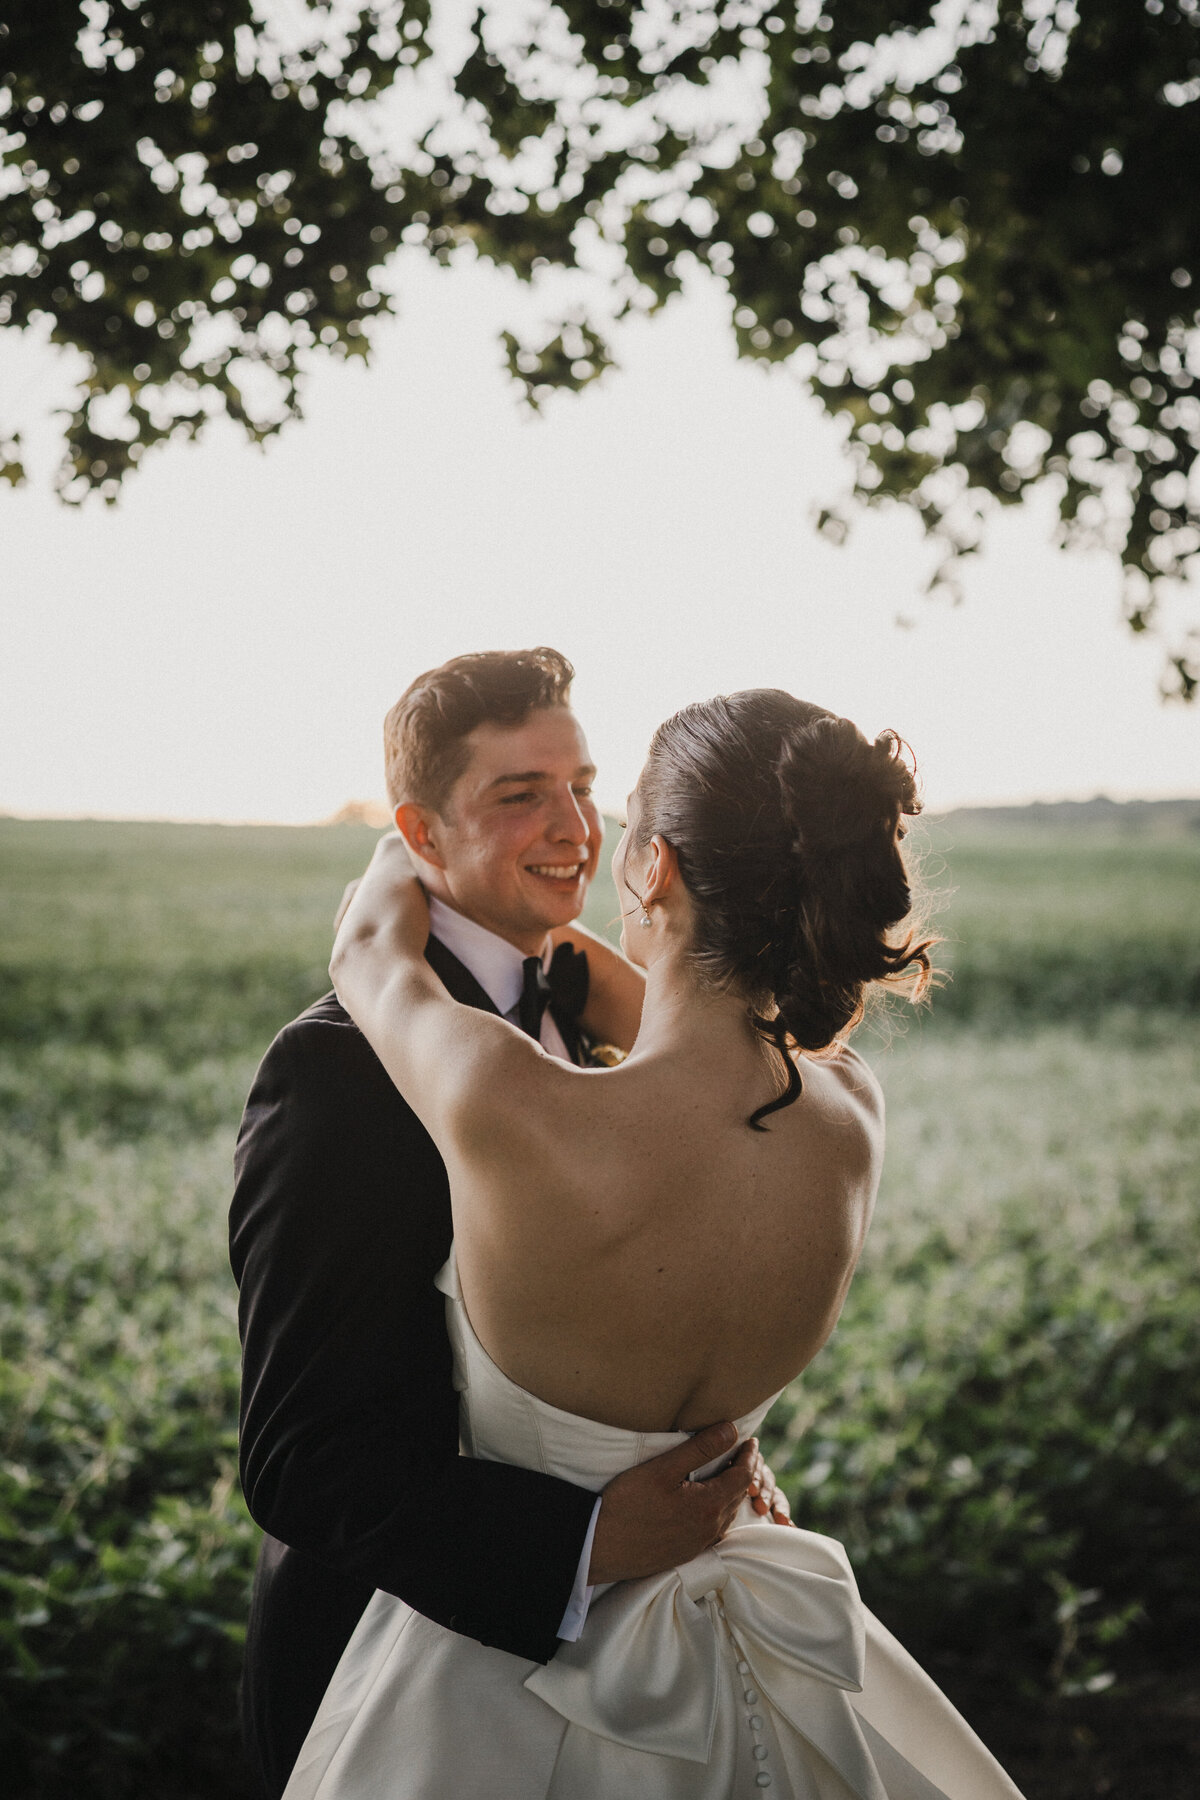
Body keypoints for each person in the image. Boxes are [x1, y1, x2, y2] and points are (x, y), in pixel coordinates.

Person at [283, 686, 1027, 1800]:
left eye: (607, 813)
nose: (588, 833)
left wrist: (412, 857)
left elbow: (371, 964)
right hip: (765, 1635)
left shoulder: (505, 1100)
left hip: (494, 1695)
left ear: (659, 868)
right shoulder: (849, 1116)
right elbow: (693, 1035)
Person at [229, 650, 787, 1799]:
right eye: (519, 794)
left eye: (582, 784)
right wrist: (585, 1545)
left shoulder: (586, 1014)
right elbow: (303, 1461)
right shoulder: (336, 1071)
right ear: (420, 836)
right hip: (398, 1674)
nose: (576, 825)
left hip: (632, 1669)